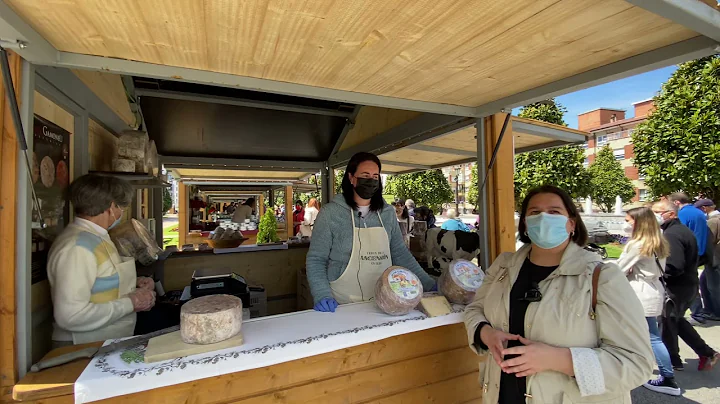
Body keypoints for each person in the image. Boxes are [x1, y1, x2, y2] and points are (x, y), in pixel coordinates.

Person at [464, 185, 653, 403]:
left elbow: (637, 363)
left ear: (571, 223)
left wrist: (561, 360)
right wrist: (485, 333)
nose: (544, 218)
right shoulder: (503, 267)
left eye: (554, 212)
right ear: (524, 224)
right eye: (534, 212)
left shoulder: (602, 277)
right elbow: (474, 309)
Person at [306, 152, 436, 312]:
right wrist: (321, 294)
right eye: (365, 175)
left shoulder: (387, 213)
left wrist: (428, 283)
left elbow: (400, 253)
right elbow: (316, 259)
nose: (371, 181)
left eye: (375, 177)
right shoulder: (330, 214)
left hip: (386, 302)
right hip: (341, 304)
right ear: (352, 178)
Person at [47, 175, 156, 346]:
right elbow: (70, 315)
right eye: (122, 207)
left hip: (103, 340)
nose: (122, 213)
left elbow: (99, 281)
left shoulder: (95, 237)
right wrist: (132, 302)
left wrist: (133, 284)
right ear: (112, 206)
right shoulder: (77, 247)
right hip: (81, 346)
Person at [617, 207, 679, 396]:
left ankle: (668, 378)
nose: (626, 224)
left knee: (651, 336)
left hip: (640, 293)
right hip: (652, 290)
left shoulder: (638, 244)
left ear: (638, 222)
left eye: (628, 220)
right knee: (649, 334)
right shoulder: (657, 241)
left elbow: (619, 269)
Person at [652, 200, 720, 371]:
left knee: (667, 322)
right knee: (675, 321)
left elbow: (674, 266)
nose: (654, 215)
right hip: (686, 285)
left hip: (676, 287)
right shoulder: (680, 231)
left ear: (671, 213)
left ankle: (673, 360)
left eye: (658, 211)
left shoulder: (672, 235)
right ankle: (706, 352)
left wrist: (657, 273)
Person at [693, 198, 720, 321]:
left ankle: (716, 312)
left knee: (713, 286)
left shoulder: (712, 222)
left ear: (704, 208)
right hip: (715, 258)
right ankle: (709, 309)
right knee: (704, 282)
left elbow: (709, 241)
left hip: (714, 258)